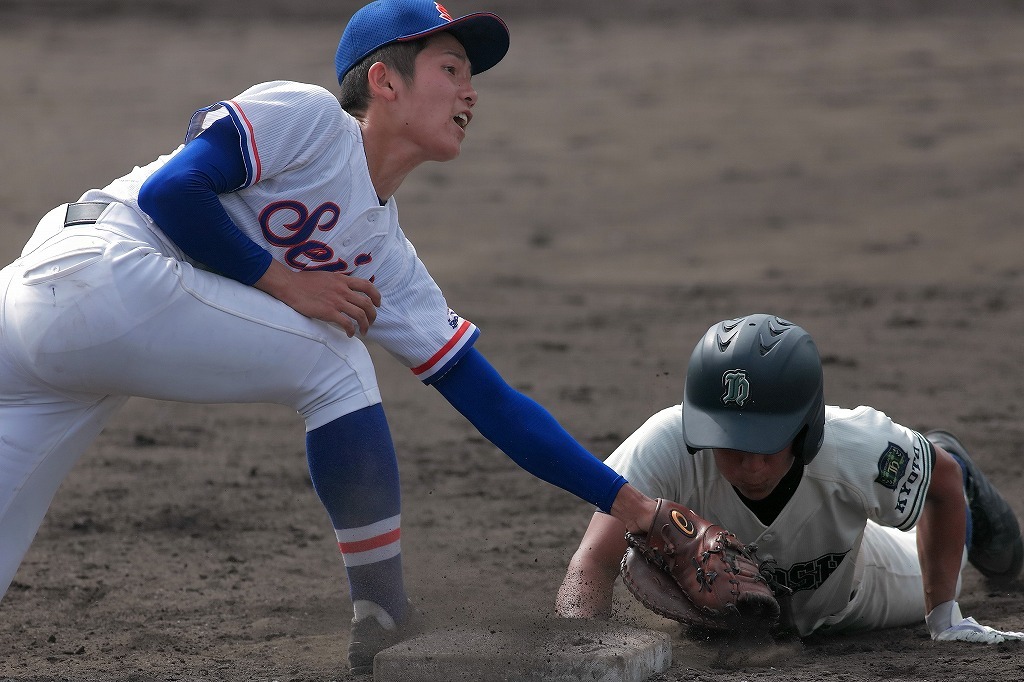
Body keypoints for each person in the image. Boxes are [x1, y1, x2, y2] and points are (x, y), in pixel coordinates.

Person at [0, 0, 661, 674]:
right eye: (452, 67)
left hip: (56, 328)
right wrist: (286, 282)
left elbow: (492, 403)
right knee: (337, 360)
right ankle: (383, 614)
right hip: (93, 267)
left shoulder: (390, 263)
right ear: (385, 80)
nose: (471, 91)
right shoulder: (312, 119)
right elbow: (173, 192)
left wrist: (636, 508)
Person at [556, 313, 1024, 643]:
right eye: (732, 445)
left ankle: (949, 449)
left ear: (806, 427)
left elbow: (940, 485)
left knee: (960, 527)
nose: (751, 466)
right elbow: (593, 562)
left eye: (767, 444)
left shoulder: (857, 443)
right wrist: (578, 649)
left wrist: (944, 618)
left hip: (862, 590)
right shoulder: (664, 442)